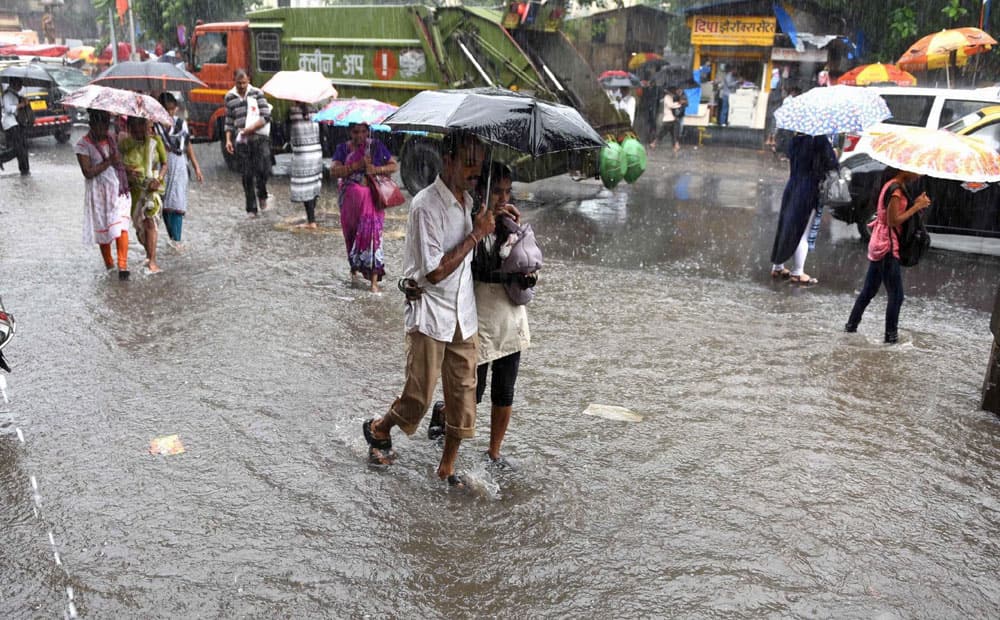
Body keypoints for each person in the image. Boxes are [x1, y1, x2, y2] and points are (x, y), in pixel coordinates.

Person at [361, 132, 494, 487]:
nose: (475, 170)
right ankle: (378, 428)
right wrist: (475, 236)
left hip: (463, 316)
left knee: (464, 400)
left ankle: (446, 468)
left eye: (479, 163)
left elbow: (473, 255)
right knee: (418, 398)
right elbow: (434, 271)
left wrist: (495, 222)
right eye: (468, 162)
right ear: (447, 161)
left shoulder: (470, 203)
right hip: (430, 314)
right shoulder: (425, 205)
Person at [428, 163, 532, 468]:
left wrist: (516, 236)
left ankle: (494, 452)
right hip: (479, 318)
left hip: (511, 319)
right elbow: (466, 266)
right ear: (481, 190)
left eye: (507, 191)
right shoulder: (471, 223)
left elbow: (527, 261)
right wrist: (483, 229)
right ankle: (445, 414)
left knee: (505, 389)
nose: (502, 197)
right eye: (496, 190)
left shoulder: (512, 225)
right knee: (472, 392)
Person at [845, 169, 931, 343]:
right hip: (887, 247)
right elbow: (893, 221)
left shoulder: (893, 186)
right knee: (896, 296)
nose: (919, 174)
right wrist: (916, 207)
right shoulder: (896, 191)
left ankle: (850, 327)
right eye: (917, 170)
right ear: (903, 169)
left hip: (880, 243)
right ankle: (890, 338)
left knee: (868, 291)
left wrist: (914, 204)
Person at [329, 122, 398, 292]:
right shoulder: (343, 149)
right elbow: (333, 171)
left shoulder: (375, 147)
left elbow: (393, 166)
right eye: (355, 132)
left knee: (372, 235)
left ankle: (374, 281)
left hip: (371, 199)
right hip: (349, 200)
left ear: (368, 131)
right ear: (349, 132)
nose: (360, 135)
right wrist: (355, 166)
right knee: (351, 235)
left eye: (363, 131)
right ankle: (354, 270)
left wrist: (376, 169)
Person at [768, 133, 837, 285]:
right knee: (803, 232)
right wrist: (833, 152)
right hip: (808, 190)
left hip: (792, 187)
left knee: (786, 227)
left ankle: (778, 266)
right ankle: (798, 272)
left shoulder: (795, 140)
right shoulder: (820, 140)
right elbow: (832, 165)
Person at [75, 109, 132, 280]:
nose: (103, 130)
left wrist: (128, 170)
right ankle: (109, 265)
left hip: (119, 189)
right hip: (99, 193)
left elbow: (119, 161)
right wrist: (108, 162)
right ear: (91, 124)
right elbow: (87, 172)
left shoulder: (112, 139)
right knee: (105, 229)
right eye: (100, 126)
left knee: (121, 225)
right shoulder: (82, 145)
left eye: (106, 125)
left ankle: (123, 266)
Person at [119, 116, 166, 273]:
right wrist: (127, 170)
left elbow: (165, 164)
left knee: (150, 222)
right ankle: (149, 252)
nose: (139, 130)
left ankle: (152, 260)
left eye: (142, 126)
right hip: (134, 190)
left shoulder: (156, 141)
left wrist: (158, 179)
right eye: (135, 127)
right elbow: (117, 164)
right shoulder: (125, 144)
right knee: (139, 228)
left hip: (152, 189)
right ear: (130, 128)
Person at [156, 93, 203, 249]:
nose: (168, 113)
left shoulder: (181, 124)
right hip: (162, 165)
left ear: (175, 109)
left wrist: (196, 167)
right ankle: (172, 237)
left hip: (179, 164)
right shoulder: (154, 126)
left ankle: (176, 239)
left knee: (177, 202)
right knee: (162, 203)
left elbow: (188, 145)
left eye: (171, 109)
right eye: (165, 109)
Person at [224, 68, 272, 217]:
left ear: (248, 81)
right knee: (247, 175)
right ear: (235, 82)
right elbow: (229, 120)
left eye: (244, 83)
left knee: (263, 170)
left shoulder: (257, 93)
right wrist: (228, 140)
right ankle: (251, 208)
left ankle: (262, 193)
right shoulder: (229, 97)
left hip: (259, 139)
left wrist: (251, 128)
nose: (242, 86)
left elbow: (266, 116)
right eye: (239, 84)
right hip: (242, 141)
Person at [288, 101, 323, 229]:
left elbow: (286, 131)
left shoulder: (292, 111)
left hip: (302, 153)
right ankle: (311, 217)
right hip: (315, 151)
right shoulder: (316, 110)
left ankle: (311, 220)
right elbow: (323, 130)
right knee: (313, 184)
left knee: (305, 186)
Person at [1, 78, 30, 175]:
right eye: (19, 84)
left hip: (17, 123)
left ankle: (25, 169)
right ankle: (2, 158)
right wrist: (20, 105)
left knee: (22, 147)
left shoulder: (15, 94)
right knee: (17, 148)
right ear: (14, 84)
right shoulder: (7, 95)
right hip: (10, 124)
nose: (21, 87)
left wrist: (24, 102)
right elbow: (8, 109)